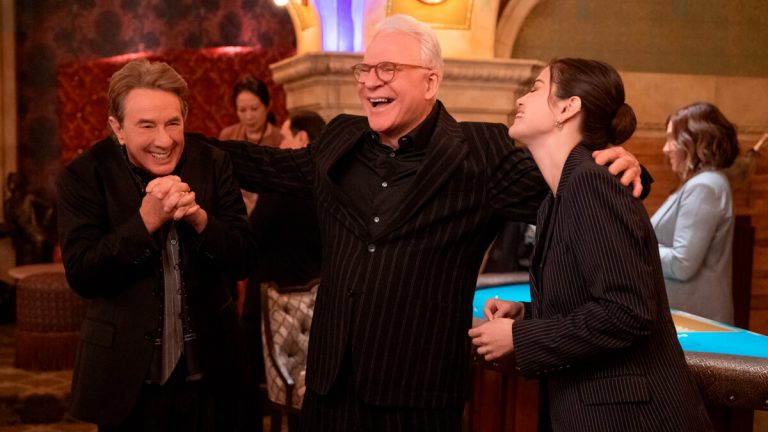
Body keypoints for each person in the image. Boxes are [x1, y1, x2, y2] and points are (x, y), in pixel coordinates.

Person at [214, 15, 648, 432]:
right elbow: (267, 165)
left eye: (387, 68)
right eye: (364, 69)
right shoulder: (341, 138)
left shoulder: (481, 154)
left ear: (430, 81)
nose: (370, 81)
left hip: (418, 398)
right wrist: (185, 146)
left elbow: (576, 188)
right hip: (329, 392)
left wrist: (626, 168)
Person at [468, 58, 712, 431]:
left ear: (568, 108)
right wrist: (527, 314)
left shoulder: (589, 183)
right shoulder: (555, 197)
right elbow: (591, 303)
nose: (521, 99)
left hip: (632, 419)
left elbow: (628, 312)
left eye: (535, 88)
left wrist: (521, 336)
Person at [57, 59, 255, 431]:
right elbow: (83, 274)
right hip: (127, 381)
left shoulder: (214, 163)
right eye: (146, 126)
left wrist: (199, 219)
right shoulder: (83, 175)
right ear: (118, 128)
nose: (164, 140)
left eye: (173, 123)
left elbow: (243, 259)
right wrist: (145, 222)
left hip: (214, 374)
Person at [238, 111, 325, 431]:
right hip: (316, 300)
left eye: (285, 137)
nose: (280, 144)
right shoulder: (330, 181)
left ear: (301, 139)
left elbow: (252, 238)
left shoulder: (283, 185)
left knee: (244, 374)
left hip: (272, 301)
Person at [650, 102, 740, 324]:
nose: (665, 149)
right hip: (688, 318)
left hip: (696, 321)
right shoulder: (704, 182)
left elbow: (682, 264)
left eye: (671, 138)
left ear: (697, 141)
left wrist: (637, 247)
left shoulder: (704, 186)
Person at [220, 75, 282, 215]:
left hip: (269, 212)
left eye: (254, 109)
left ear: (267, 106)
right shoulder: (228, 136)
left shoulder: (280, 139)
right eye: (242, 110)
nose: (248, 116)